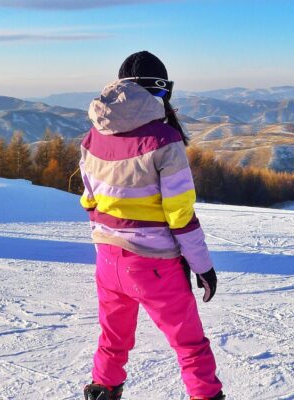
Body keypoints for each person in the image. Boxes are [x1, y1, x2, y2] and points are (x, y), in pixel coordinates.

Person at [79, 51, 225, 400]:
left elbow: (89, 200)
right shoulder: (164, 141)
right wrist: (203, 267)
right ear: (157, 92)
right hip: (154, 265)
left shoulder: (93, 136)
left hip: (108, 260)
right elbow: (181, 217)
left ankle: (102, 391)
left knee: (113, 339)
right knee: (190, 345)